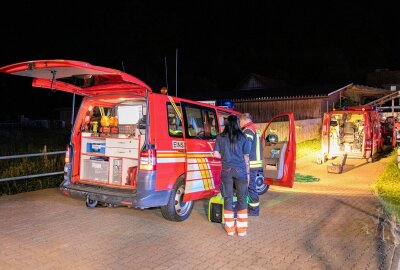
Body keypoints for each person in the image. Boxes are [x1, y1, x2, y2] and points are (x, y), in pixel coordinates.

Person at [214, 115, 251, 236]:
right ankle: (241, 230)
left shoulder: (220, 137)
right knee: (242, 198)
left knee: (228, 198)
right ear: (237, 123)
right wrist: (248, 174)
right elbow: (246, 157)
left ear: (226, 124)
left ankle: (230, 228)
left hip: (226, 171)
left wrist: (225, 156)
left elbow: (215, 154)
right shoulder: (243, 136)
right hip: (240, 171)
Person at [239, 113, 262, 216]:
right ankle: (252, 207)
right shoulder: (255, 129)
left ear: (244, 120)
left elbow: (246, 149)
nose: (239, 124)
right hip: (255, 163)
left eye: (240, 121)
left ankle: (254, 210)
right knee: (250, 186)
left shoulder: (248, 130)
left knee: (251, 187)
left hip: (251, 164)